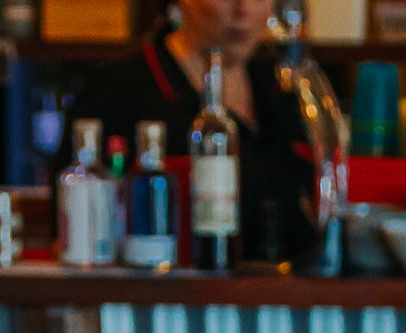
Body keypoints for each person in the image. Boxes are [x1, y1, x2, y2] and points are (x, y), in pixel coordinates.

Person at [72, 0, 322, 262]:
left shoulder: (283, 86)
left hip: (285, 284)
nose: (244, 10)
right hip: (171, 283)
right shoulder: (123, 86)